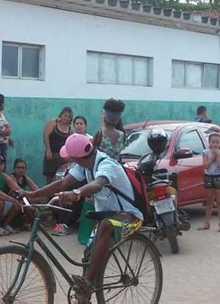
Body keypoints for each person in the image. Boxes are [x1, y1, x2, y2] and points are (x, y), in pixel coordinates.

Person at [19, 134, 143, 301]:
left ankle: (87, 283)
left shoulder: (106, 164)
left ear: (76, 157)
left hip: (129, 216)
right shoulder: (84, 165)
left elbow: (98, 183)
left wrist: (77, 192)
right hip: (106, 216)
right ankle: (84, 296)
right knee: (88, 256)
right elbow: (62, 184)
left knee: (106, 225)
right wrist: (32, 194)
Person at [53, 116, 91, 236]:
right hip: (70, 171)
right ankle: (60, 222)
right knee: (64, 198)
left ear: (85, 126)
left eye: (81, 123)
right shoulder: (71, 139)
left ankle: (66, 224)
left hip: (82, 175)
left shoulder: (90, 140)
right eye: (77, 123)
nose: (79, 126)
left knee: (75, 199)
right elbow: (66, 156)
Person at [197, 133, 220, 232]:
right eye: (213, 142)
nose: (215, 144)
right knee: (209, 201)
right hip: (208, 177)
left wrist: (217, 156)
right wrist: (212, 157)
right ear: (209, 143)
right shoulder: (206, 152)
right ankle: (206, 223)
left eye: (217, 142)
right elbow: (205, 166)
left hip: (218, 177)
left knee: (219, 201)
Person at [0, 155, 21, 235]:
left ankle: (5, 225)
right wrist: (12, 199)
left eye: (1, 164)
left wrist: (26, 195)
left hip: (1, 199)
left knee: (17, 203)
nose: (0, 166)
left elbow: (17, 188)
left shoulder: (4, 176)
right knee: (0, 203)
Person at [42, 107, 73, 184]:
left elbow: (70, 145)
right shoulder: (53, 123)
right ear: (61, 115)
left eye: (69, 117)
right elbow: (46, 136)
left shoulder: (70, 130)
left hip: (62, 159)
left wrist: (68, 160)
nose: (66, 118)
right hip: (51, 155)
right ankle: (47, 196)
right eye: (65, 115)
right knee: (49, 179)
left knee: (60, 180)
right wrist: (48, 150)